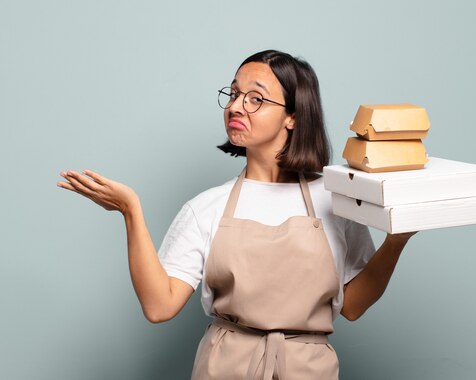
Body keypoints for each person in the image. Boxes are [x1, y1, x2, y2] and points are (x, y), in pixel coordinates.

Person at [57, 49, 416, 380]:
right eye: (233, 95)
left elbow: (352, 305)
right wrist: (130, 210)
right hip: (223, 367)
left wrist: (396, 241)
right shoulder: (207, 207)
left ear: (292, 116)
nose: (235, 107)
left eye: (255, 98)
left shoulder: (336, 200)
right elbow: (159, 305)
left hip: (309, 371)